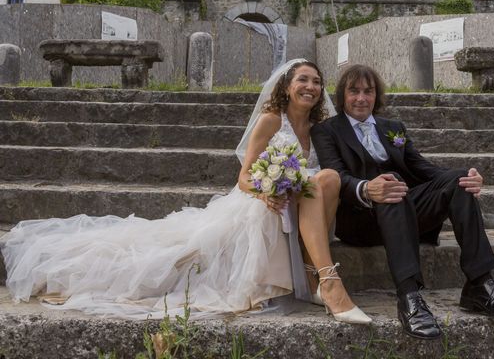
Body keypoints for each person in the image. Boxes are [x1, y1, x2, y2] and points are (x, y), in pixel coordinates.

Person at [1, 59, 371, 324]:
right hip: (263, 203)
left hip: (303, 207)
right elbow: (244, 177)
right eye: (303, 80)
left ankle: (317, 276)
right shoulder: (271, 120)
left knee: (323, 179)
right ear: (287, 86)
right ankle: (323, 281)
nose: (310, 87)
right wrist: (267, 192)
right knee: (172, 256)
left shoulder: (322, 128)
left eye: (317, 82)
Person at [311, 64, 494, 340]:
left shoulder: (392, 128)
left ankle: (480, 284)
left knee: (457, 181)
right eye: (354, 91)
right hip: (360, 218)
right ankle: (409, 296)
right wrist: (367, 188)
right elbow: (335, 175)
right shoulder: (327, 130)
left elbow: (423, 168)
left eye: (368, 91)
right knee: (391, 186)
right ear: (342, 96)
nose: (361, 98)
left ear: (377, 95)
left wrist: (467, 177)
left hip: (402, 210)